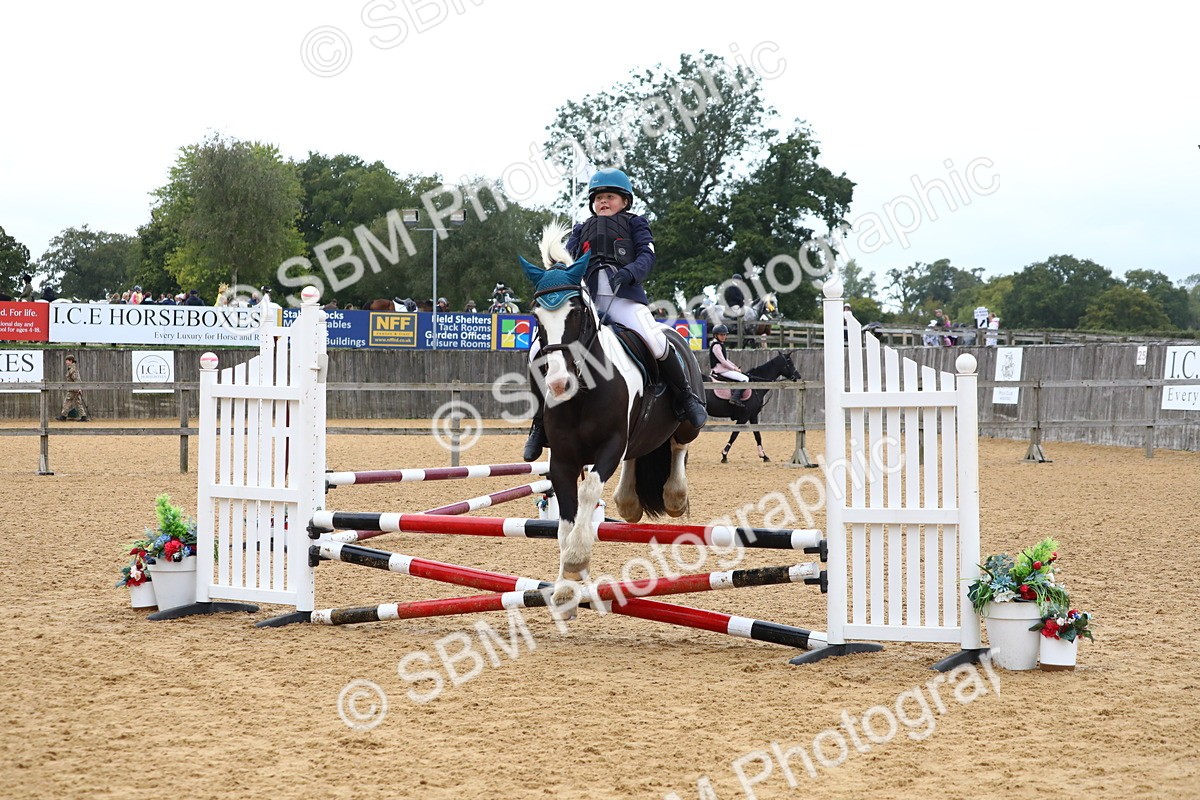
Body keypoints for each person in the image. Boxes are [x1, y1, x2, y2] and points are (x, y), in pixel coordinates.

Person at [522, 167, 707, 460]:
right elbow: (567, 263)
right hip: (587, 303)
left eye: (609, 196)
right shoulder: (581, 229)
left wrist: (629, 272)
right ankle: (538, 423)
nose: (603, 202)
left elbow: (647, 256)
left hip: (624, 299)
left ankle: (686, 397)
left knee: (656, 341)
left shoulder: (636, 224)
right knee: (536, 350)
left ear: (625, 200)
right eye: (598, 198)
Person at [709, 324, 749, 408]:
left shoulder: (720, 344)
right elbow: (723, 362)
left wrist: (735, 367)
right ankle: (735, 398)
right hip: (721, 370)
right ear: (716, 335)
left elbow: (726, 359)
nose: (724, 336)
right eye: (721, 335)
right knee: (745, 379)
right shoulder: (716, 346)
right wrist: (734, 369)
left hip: (722, 369)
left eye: (725, 334)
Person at [56, 355, 90, 422]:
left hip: (73, 389)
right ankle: (83, 417)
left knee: (67, 402)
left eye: (67, 361)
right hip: (74, 388)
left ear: (71, 361)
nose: (66, 362)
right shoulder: (71, 368)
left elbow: (76, 379)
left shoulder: (72, 369)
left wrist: (78, 388)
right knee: (78, 403)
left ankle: (63, 416)